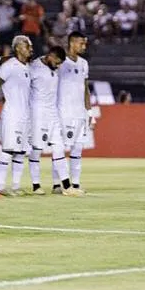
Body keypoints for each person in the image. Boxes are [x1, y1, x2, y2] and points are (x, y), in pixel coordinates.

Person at [57, 31, 94, 196]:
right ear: (71, 43)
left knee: (78, 149)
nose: (83, 46)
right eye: (81, 43)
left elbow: (85, 88)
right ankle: (58, 184)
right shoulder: (61, 62)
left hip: (80, 112)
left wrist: (89, 109)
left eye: (84, 43)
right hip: (64, 111)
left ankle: (76, 184)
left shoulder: (84, 63)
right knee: (61, 147)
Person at [0, 35, 33, 196]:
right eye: (27, 46)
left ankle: (16, 186)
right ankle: (1, 186)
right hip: (11, 113)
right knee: (8, 149)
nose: (30, 49)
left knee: (21, 151)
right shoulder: (9, 66)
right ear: (17, 48)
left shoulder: (28, 67)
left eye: (30, 46)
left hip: (25, 114)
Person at [27, 46, 66, 195]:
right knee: (36, 150)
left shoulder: (54, 69)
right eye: (57, 62)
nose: (58, 66)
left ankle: (62, 185)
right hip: (37, 113)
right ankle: (36, 185)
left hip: (53, 113)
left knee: (58, 148)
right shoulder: (34, 67)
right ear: (51, 56)